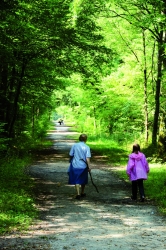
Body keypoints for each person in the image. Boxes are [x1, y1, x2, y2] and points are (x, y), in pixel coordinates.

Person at [68, 134, 91, 200]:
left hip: (75, 164)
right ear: (86, 139)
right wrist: (89, 166)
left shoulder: (75, 145)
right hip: (83, 166)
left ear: (79, 139)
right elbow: (88, 158)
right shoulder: (87, 147)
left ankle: (78, 194)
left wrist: (70, 160)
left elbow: (71, 154)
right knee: (83, 179)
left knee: (76, 179)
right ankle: (82, 192)